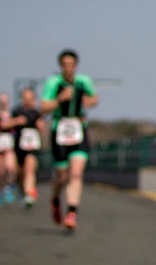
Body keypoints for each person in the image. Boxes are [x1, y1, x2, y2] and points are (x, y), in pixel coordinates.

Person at [40, 50, 98, 231]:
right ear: (60, 66)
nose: (68, 68)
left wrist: (89, 101)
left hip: (78, 129)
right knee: (62, 176)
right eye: (65, 65)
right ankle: (55, 198)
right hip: (60, 130)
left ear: (76, 65)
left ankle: (72, 212)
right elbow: (43, 107)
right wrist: (60, 98)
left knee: (76, 174)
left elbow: (94, 98)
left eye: (71, 65)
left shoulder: (84, 81)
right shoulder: (53, 82)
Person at [5, 87, 45, 208]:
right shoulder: (16, 111)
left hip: (32, 146)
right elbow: (5, 124)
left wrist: (40, 125)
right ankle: (21, 189)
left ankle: (29, 194)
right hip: (19, 146)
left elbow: (42, 128)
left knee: (30, 169)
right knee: (20, 172)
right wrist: (16, 121)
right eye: (25, 98)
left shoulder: (37, 113)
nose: (28, 100)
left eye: (30, 98)